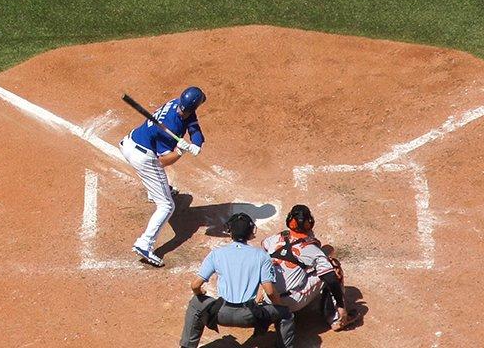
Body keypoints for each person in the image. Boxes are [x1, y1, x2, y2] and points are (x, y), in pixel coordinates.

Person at [178, 212, 296, 348]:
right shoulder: (261, 256)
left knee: (195, 303)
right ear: (250, 232)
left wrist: (200, 293)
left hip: (220, 313)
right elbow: (270, 292)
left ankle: (186, 347)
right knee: (285, 314)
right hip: (249, 316)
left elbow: (195, 285)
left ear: (230, 231)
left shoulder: (216, 254)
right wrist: (279, 309)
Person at [119, 85, 206, 266]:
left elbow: (194, 127)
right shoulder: (171, 126)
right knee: (167, 205)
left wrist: (196, 144)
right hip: (143, 157)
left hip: (130, 142)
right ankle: (144, 244)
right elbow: (163, 161)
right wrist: (180, 151)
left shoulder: (178, 103)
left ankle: (155, 191)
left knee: (163, 187)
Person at [263, 204, 350, 330]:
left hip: (268, 294)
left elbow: (264, 246)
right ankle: (337, 318)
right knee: (333, 266)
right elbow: (330, 278)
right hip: (291, 302)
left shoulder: (275, 238)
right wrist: (341, 305)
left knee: (295, 264)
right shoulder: (311, 249)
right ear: (310, 223)